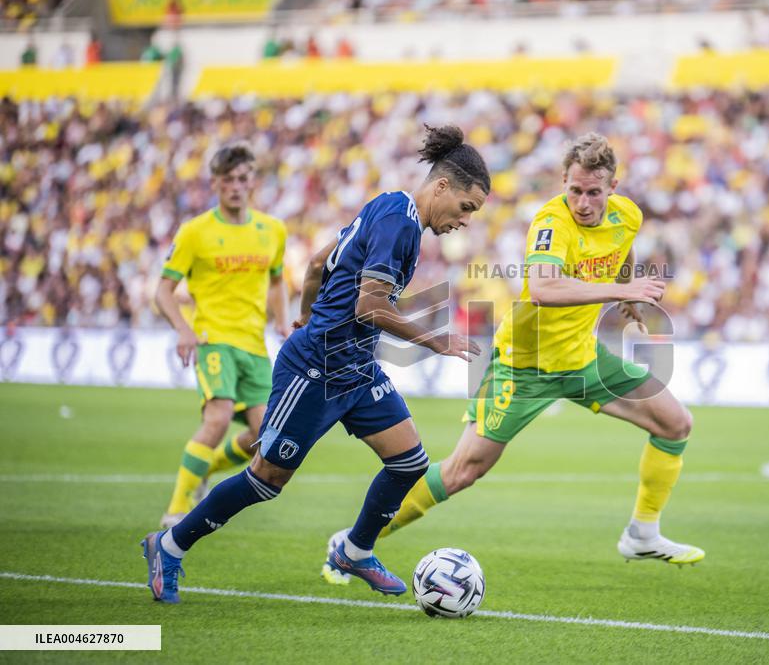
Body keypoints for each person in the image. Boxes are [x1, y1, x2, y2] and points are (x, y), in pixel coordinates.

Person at [324, 132, 703, 588]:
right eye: (575, 190)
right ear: (563, 181)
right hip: (522, 365)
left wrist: (631, 303)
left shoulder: (628, 217)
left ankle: (642, 533)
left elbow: (621, 252)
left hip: (582, 360)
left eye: (593, 192)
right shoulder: (550, 222)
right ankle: (353, 544)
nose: (582, 202)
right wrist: (624, 290)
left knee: (676, 423)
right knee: (464, 470)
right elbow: (543, 289)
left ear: (613, 188)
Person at [141, 125, 490, 603]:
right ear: (443, 186)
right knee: (265, 479)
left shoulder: (388, 206)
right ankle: (169, 544)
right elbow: (370, 305)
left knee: (409, 463)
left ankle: (354, 549)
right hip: (317, 369)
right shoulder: (401, 224)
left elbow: (317, 265)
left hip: (355, 366)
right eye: (467, 207)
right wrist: (435, 340)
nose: (465, 220)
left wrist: (305, 313)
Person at [155, 142, 289, 529]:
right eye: (227, 179)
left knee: (266, 436)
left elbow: (278, 280)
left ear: (253, 183)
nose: (235, 186)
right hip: (213, 338)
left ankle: (205, 467)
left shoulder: (272, 230)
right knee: (218, 417)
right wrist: (184, 329)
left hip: (254, 345)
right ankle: (177, 509)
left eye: (242, 179)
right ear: (215, 183)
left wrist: (282, 321)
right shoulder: (195, 232)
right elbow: (162, 290)